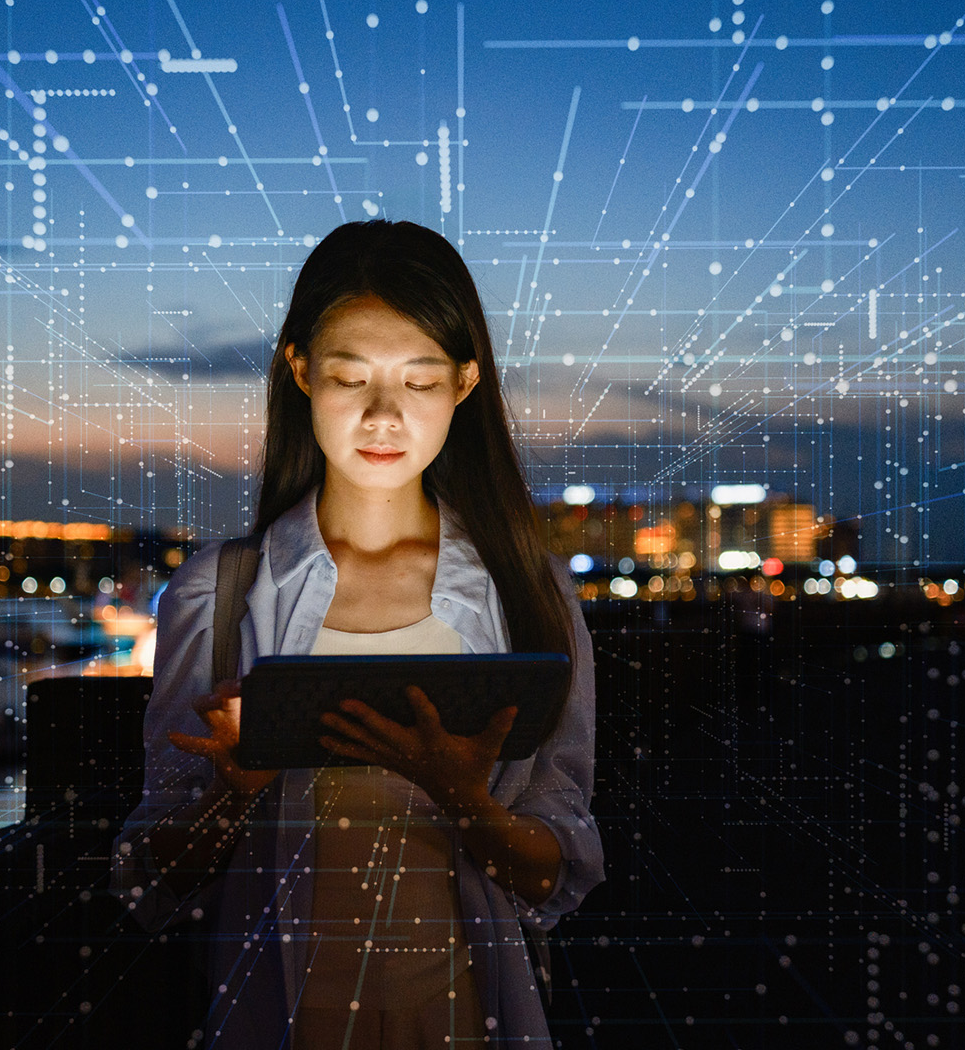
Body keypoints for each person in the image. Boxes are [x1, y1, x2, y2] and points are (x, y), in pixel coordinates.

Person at [110, 220, 604, 1048]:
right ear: (301, 370)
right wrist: (235, 795)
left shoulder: (529, 593)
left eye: (419, 381)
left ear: (466, 381)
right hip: (278, 1020)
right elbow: (150, 879)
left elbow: (562, 868)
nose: (383, 415)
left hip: (466, 1017)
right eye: (350, 377)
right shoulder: (218, 593)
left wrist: (465, 799)